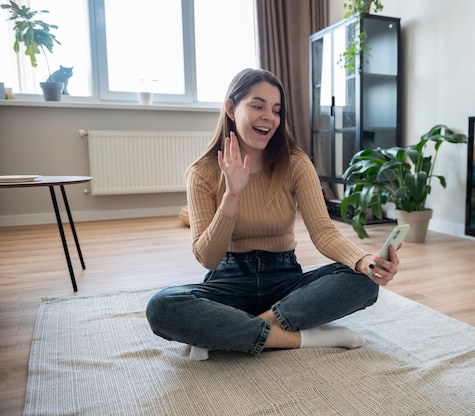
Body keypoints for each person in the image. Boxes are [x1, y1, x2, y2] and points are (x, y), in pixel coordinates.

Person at [146, 68, 401, 361]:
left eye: (276, 110)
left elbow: (323, 232)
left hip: (284, 281)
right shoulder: (202, 173)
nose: (269, 116)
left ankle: (227, 332)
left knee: (363, 280)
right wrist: (231, 194)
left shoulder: (296, 163)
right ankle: (302, 337)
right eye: (257, 106)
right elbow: (208, 257)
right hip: (229, 281)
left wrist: (365, 260)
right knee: (162, 306)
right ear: (231, 108)